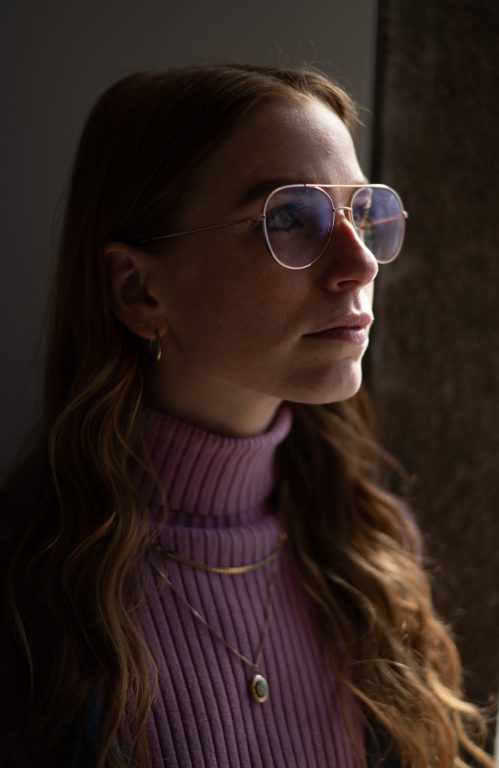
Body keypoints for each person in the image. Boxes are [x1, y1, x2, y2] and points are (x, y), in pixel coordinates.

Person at [0, 63, 494, 768]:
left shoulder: (371, 549)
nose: (359, 266)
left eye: (360, 212)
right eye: (290, 218)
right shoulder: (27, 596)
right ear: (138, 290)